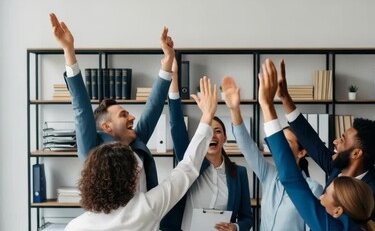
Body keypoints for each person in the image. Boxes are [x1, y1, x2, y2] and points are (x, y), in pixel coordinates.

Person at [64, 76, 219, 231]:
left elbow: (150, 112)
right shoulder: (146, 209)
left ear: (89, 181)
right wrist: (207, 116)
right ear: (132, 179)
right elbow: (187, 167)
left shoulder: (74, 227)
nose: (131, 117)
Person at [50, 13, 175, 192]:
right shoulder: (94, 150)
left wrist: (168, 60)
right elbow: (81, 109)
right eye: (123, 115)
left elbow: (153, 108)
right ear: (107, 127)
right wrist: (69, 51)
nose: (132, 117)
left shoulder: (135, 143)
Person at [258, 59, 375, 231]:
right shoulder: (337, 167)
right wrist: (285, 98)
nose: (335, 141)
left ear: (356, 154)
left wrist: (266, 106)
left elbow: (293, 181)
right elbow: (312, 142)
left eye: (343, 139)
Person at [221, 76, 323, 231]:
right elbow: (247, 147)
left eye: (286, 144)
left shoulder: (314, 189)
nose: (279, 148)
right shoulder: (269, 175)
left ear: (302, 152)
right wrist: (234, 110)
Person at [165, 60, 252, 231]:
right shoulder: (190, 163)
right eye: (208, 131)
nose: (212, 134)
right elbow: (176, 125)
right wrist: (174, 78)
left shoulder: (239, 173)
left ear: (225, 138)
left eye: (218, 131)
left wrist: (235, 227)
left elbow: (247, 217)